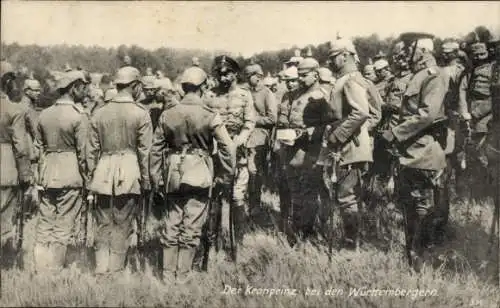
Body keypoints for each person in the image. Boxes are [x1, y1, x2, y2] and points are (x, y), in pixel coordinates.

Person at [150, 66, 235, 284]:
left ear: (183, 87)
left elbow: (155, 149)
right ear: (203, 87)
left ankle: (168, 277)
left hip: (172, 174)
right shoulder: (209, 114)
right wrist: (226, 174)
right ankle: (183, 277)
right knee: (192, 224)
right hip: (199, 171)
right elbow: (228, 147)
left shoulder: (167, 114)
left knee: (172, 223)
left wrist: (156, 178)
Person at [380, 32, 448, 272]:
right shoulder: (417, 76)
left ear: (422, 51)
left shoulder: (433, 75)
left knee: (423, 208)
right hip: (409, 153)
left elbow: (427, 114)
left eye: (410, 50)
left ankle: (423, 262)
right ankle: (414, 258)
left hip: (424, 152)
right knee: (409, 206)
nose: (405, 55)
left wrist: (396, 133)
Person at [87, 66, 152, 275]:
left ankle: (100, 267)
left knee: (103, 221)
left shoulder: (99, 113)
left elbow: (90, 152)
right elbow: (145, 152)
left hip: (103, 170)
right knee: (123, 222)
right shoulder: (141, 113)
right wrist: (147, 179)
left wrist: (91, 177)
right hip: (130, 170)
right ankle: (115, 270)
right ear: (134, 86)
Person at [33, 70, 90, 272]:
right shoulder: (78, 116)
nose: (85, 92)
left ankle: (41, 267)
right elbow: (84, 154)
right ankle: (55, 268)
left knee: (45, 222)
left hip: (47, 172)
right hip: (70, 173)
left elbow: (38, 147)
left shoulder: (44, 114)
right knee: (64, 223)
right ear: (74, 88)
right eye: (82, 88)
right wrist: (88, 179)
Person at [326, 38, 377, 251]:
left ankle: (350, 247)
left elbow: (364, 112)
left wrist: (340, 135)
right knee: (346, 196)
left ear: (344, 55)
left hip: (349, 146)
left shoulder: (351, 79)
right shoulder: (349, 78)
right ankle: (350, 242)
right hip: (348, 144)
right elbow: (374, 113)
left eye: (333, 57)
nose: (329, 62)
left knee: (347, 197)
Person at [276, 57, 332, 244]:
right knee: (295, 193)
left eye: (304, 75)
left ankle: (307, 233)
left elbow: (326, 125)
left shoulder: (320, 95)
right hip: (291, 151)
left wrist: (302, 134)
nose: (300, 79)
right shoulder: (296, 95)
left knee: (309, 194)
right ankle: (297, 230)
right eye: (298, 75)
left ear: (316, 75)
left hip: (310, 152)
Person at [203, 55, 255, 258]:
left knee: (236, 197)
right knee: (214, 197)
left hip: (237, 152)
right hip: (216, 153)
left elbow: (249, 123)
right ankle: (211, 243)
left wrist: (237, 142)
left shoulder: (244, 95)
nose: (223, 78)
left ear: (235, 74)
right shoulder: (209, 96)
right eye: (220, 74)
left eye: (228, 74)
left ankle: (237, 243)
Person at [0, 61, 32, 269]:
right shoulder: (15, 110)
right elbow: (21, 147)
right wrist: (26, 175)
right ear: (7, 81)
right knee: (4, 219)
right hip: (6, 167)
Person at [241, 63, 277, 224]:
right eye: (247, 77)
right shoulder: (245, 92)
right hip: (244, 138)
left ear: (258, 76)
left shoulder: (267, 93)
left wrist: (253, 120)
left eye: (251, 77)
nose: (249, 80)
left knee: (255, 173)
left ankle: (255, 208)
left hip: (259, 139)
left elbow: (272, 118)